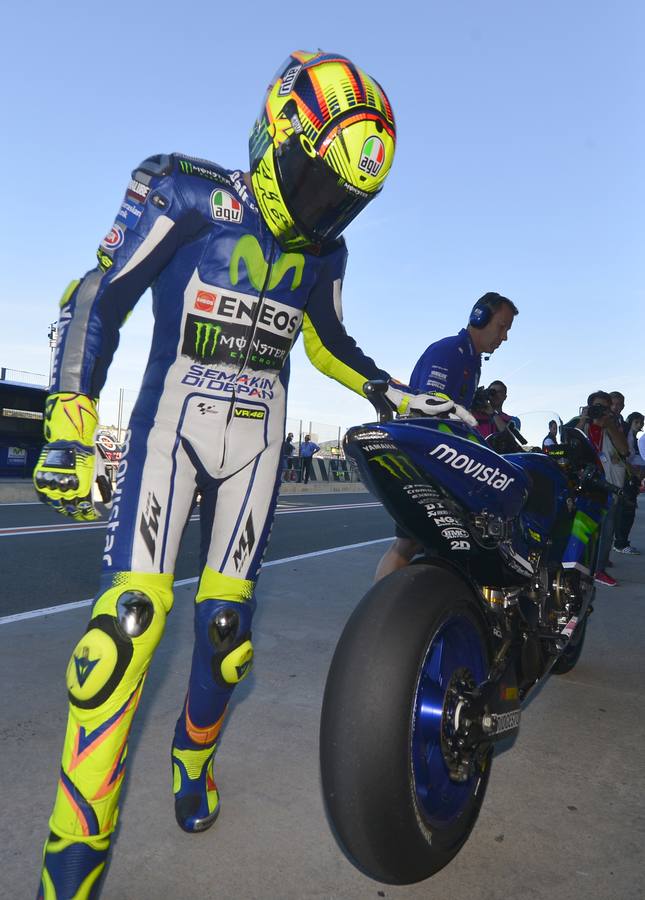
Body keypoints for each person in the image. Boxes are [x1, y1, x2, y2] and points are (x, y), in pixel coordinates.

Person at [31, 50, 475, 898]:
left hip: (258, 448)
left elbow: (327, 343)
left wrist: (395, 394)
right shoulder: (184, 190)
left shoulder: (328, 252)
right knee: (123, 633)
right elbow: (98, 295)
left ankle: (190, 764)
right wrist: (70, 418)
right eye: (316, 181)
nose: (326, 207)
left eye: (345, 197)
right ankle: (68, 873)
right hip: (168, 431)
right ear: (276, 132)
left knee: (227, 636)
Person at [375, 292, 518, 581]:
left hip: (444, 465)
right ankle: (378, 612)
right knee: (407, 544)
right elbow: (429, 413)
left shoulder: (471, 359)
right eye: (501, 327)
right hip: (429, 464)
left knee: (435, 545)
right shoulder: (450, 351)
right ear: (480, 318)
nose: (504, 338)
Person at [573, 391, 628, 586]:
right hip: (583, 483)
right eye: (597, 406)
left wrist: (610, 425)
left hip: (607, 483)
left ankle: (599, 569)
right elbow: (570, 444)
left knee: (607, 528)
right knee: (581, 529)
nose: (600, 411)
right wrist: (583, 419)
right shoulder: (579, 423)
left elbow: (624, 450)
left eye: (604, 407)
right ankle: (578, 568)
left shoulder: (612, 426)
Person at [613, 411, 645, 554]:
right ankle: (621, 543)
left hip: (633, 478)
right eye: (637, 422)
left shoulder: (634, 437)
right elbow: (624, 457)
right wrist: (634, 472)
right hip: (628, 478)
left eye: (642, 422)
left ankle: (622, 542)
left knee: (628, 511)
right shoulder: (627, 436)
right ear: (630, 421)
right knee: (626, 511)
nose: (640, 425)